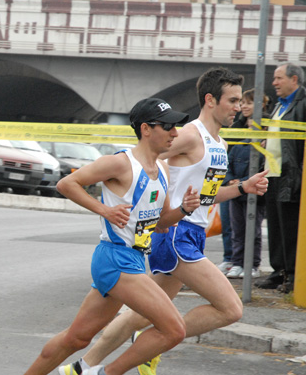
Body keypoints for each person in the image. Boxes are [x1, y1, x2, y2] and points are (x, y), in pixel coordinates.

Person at [59, 67, 269, 375]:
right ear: (211, 100)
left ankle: (81, 367)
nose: (239, 107)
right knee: (230, 309)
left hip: (193, 232)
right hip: (175, 234)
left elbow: (205, 197)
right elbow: (147, 156)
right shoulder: (188, 134)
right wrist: (142, 201)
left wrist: (242, 187)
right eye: (233, 100)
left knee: (141, 315)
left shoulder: (220, 144)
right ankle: (150, 346)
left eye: (240, 101)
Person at [24, 98, 199, 375]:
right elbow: (66, 183)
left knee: (76, 338)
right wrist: (104, 209)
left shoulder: (163, 170)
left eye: (176, 127)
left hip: (133, 260)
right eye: (168, 126)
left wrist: (184, 210)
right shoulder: (120, 163)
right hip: (116, 259)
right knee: (174, 330)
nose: (175, 133)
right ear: (146, 129)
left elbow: (161, 224)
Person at [256, 62, 306, 293]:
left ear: (294, 79)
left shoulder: (302, 103)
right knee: (275, 226)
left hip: (292, 174)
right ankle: (278, 271)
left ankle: (294, 275)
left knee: (290, 227)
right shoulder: (279, 105)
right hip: (273, 174)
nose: (274, 83)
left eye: (279, 78)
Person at [225, 89, 268, 279]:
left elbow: (264, 169)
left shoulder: (265, 147)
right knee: (237, 230)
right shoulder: (239, 145)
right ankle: (236, 262)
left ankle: (252, 264)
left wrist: (239, 182)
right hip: (237, 193)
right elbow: (228, 164)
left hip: (254, 194)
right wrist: (231, 181)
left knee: (254, 231)